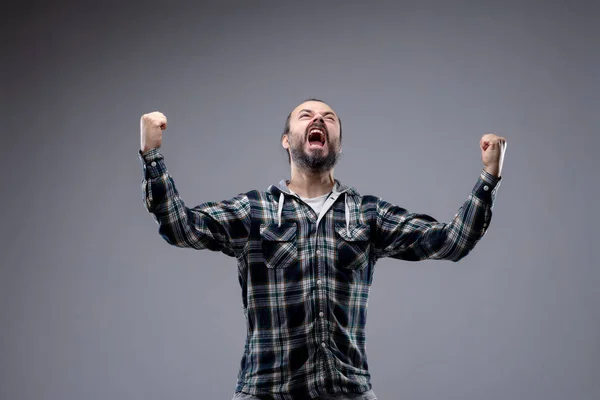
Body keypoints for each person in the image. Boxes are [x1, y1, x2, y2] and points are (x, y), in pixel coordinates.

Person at [138, 99, 506, 400]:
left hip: (347, 391)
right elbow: (181, 227)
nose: (319, 119)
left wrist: (489, 179)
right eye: (306, 115)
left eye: (329, 117)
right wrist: (152, 155)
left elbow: (448, 242)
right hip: (266, 391)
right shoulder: (255, 211)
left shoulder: (367, 213)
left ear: (338, 144)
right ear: (286, 140)